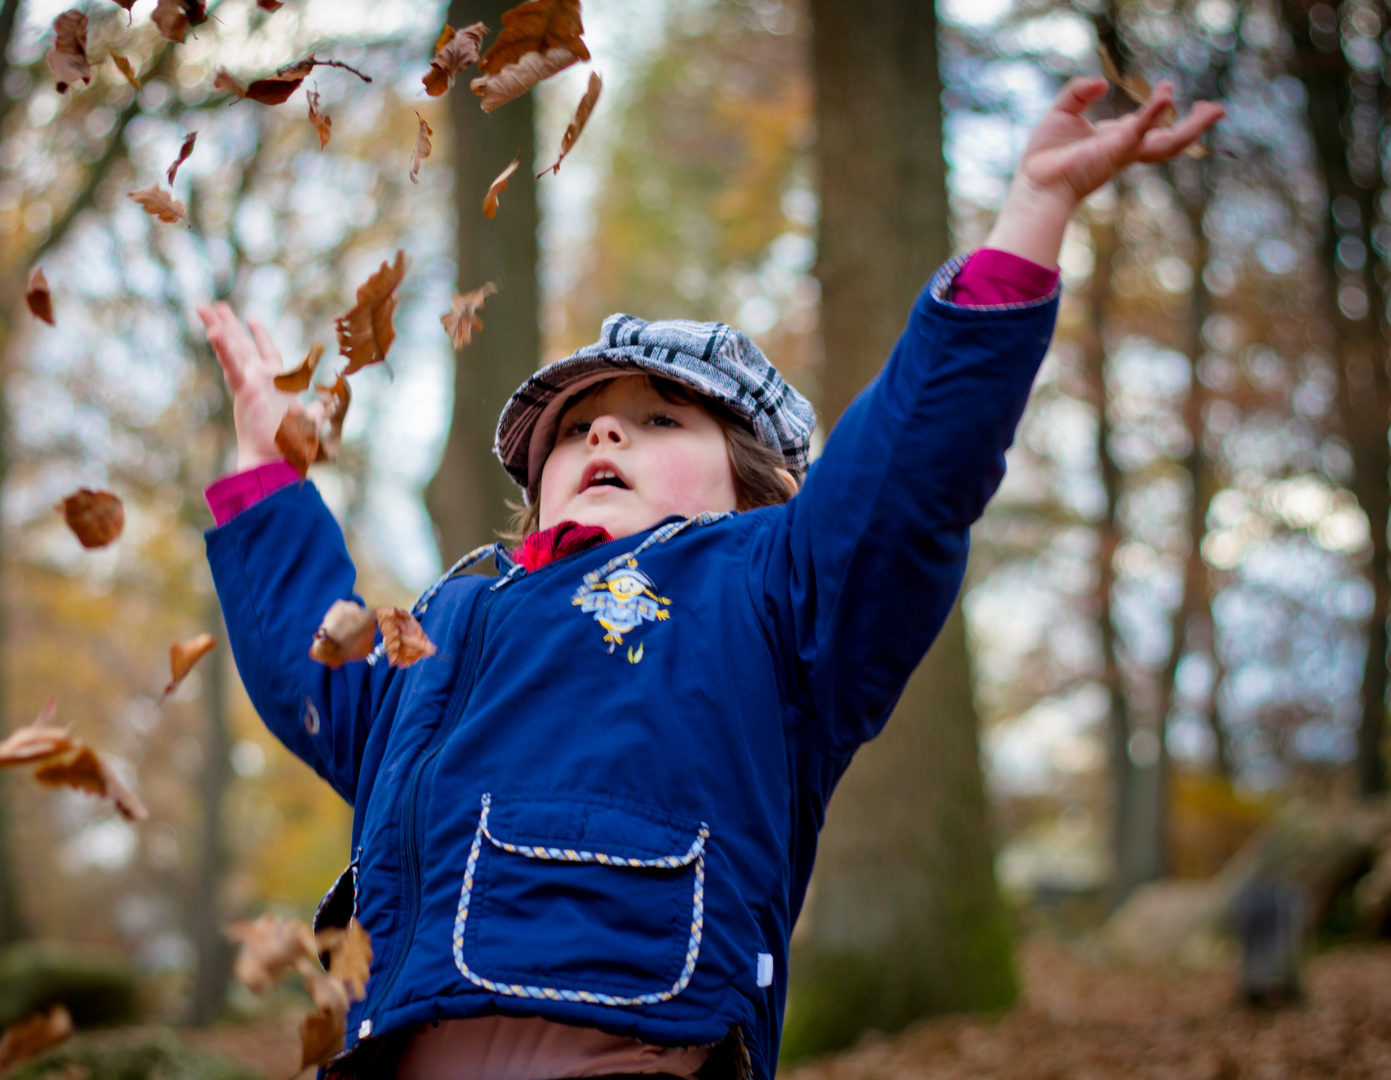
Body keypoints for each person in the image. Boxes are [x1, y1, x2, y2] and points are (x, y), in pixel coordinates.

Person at [196, 77, 1222, 1080]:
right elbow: (316, 671)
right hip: (398, 1045)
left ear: (754, 489)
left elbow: (905, 477)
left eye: (659, 420)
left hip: (635, 1041)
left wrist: (1029, 220)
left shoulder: (769, 595)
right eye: (577, 428)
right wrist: (262, 480)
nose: (605, 429)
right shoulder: (451, 618)